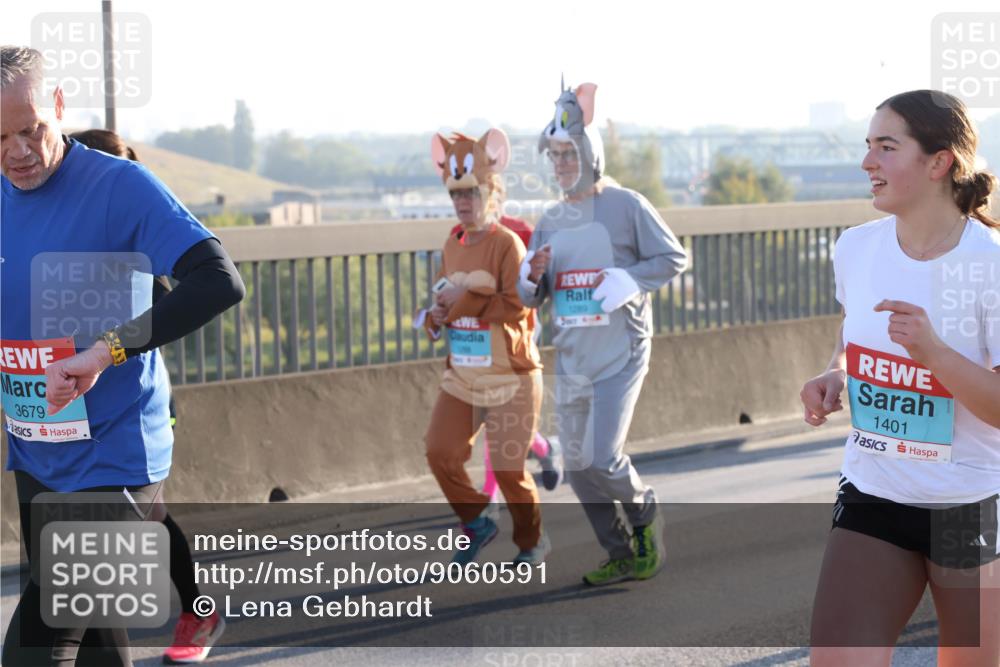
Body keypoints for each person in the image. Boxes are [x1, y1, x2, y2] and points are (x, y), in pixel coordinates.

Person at [1, 46, 244, 666]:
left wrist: (105, 352)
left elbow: (218, 280)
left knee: (35, 645)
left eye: (30, 129)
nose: (18, 151)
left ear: (59, 105)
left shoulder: (120, 186)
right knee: (94, 644)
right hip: (37, 449)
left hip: (117, 453)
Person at [801, 89, 999, 667]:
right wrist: (836, 373)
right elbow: (853, 334)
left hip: (969, 505)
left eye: (887, 147)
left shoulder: (989, 265)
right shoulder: (856, 248)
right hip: (874, 490)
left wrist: (934, 353)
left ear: (939, 162)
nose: (868, 161)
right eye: (869, 145)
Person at [517, 79, 688, 585]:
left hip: (621, 352)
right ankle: (619, 552)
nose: (561, 164)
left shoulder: (627, 205)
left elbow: (673, 257)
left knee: (604, 456)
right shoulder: (550, 220)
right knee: (577, 466)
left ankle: (644, 512)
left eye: (569, 154)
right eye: (555, 156)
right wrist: (531, 276)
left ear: (590, 155)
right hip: (574, 357)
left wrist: (630, 280)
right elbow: (532, 297)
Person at [68, 129, 226, 665]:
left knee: (134, 521)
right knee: (135, 522)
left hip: (139, 408)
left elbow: (183, 300)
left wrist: (110, 342)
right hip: (80, 410)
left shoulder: (133, 241)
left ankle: (198, 612)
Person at [423, 129, 549, 565]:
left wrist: (467, 300)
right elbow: (447, 297)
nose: (463, 202)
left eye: (471, 192)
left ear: (490, 192)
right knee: (440, 452)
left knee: (511, 473)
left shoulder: (506, 244)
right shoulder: (451, 244)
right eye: (456, 194)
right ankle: (477, 519)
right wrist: (437, 314)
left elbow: (518, 305)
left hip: (511, 374)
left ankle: (532, 541)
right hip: (463, 375)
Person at [449, 210, 564, 500]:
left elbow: (539, 282)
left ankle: (490, 492)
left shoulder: (521, 230)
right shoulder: (458, 233)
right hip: (480, 329)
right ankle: (544, 448)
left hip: (517, 329)